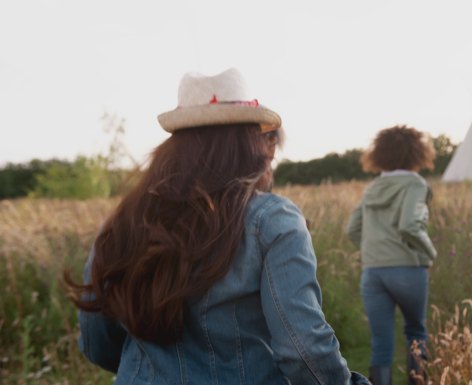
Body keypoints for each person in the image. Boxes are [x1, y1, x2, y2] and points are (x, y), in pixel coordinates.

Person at [65, 68, 370, 385]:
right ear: (251, 143)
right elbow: (303, 350)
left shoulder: (122, 222)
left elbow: (96, 342)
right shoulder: (271, 219)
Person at [346, 126, 437, 385]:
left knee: (380, 343)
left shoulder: (373, 187)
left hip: (372, 273)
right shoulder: (416, 184)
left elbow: (352, 229)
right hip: (408, 270)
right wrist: (430, 253)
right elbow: (410, 225)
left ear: (380, 153)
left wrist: (372, 252)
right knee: (416, 332)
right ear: (417, 153)